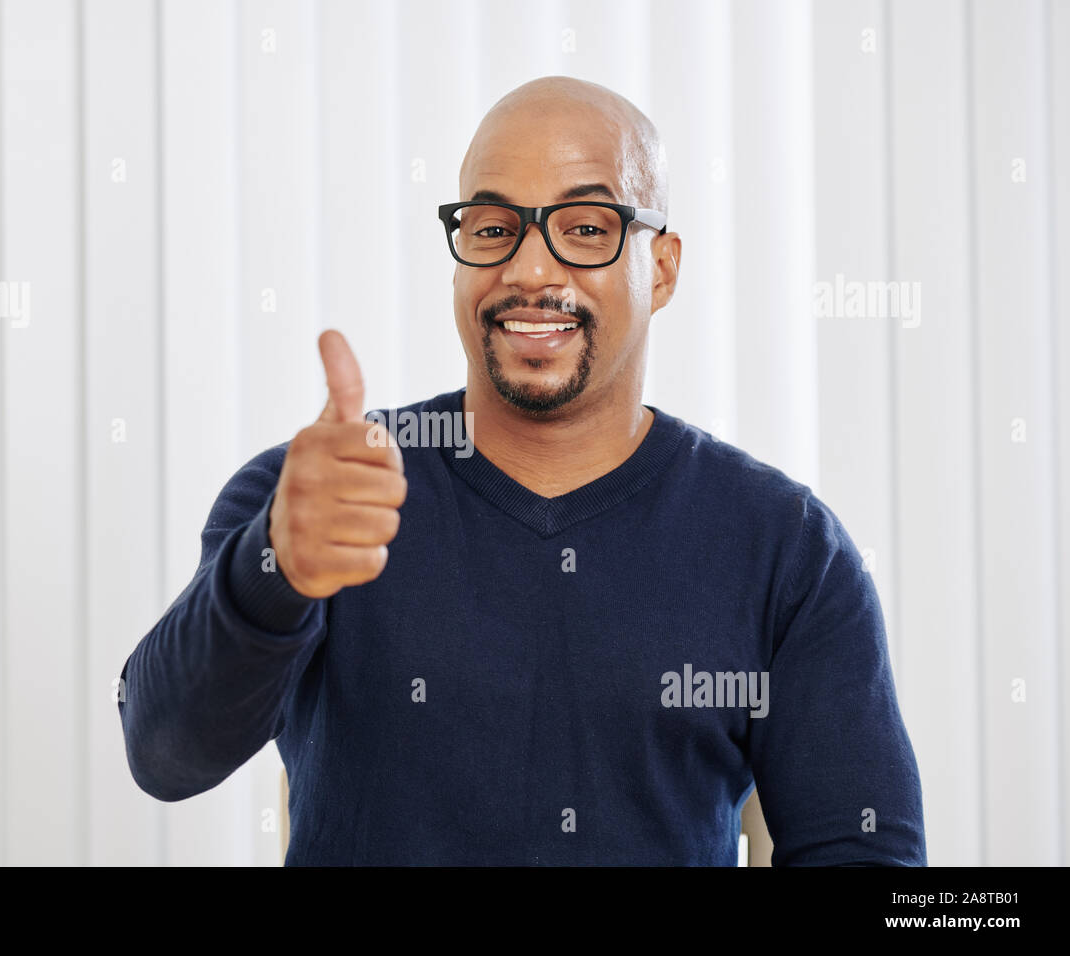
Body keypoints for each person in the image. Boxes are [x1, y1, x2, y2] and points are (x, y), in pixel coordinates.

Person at [117, 75, 927, 866]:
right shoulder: (319, 497)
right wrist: (274, 570)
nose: (531, 273)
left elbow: (865, 853)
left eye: (584, 227)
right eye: (494, 227)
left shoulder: (784, 549)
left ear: (664, 268)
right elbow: (165, 755)